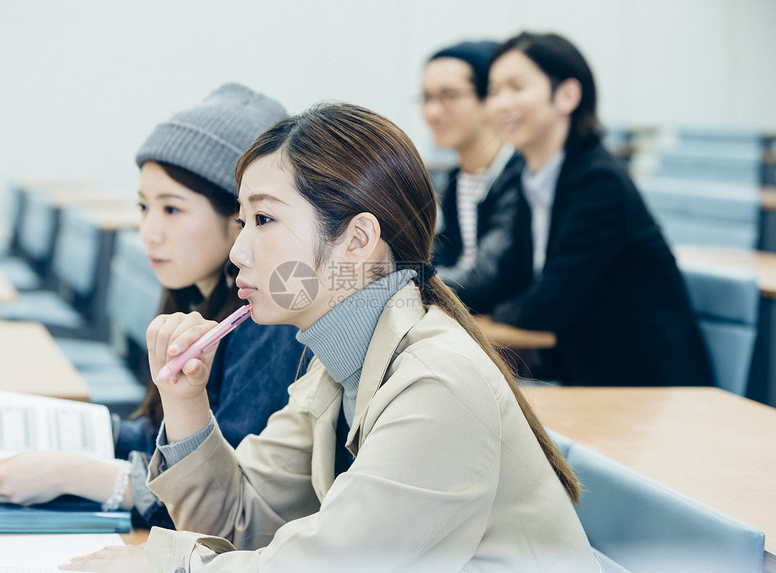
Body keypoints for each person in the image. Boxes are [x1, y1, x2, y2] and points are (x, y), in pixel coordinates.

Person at [62, 102, 600, 573]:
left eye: (264, 219)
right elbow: (240, 525)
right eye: (242, 221)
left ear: (357, 239)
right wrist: (186, 403)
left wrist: (158, 564)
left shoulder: (437, 383)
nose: (238, 252)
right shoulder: (336, 363)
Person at [0, 83, 309, 528]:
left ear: (235, 217)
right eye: (144, 207)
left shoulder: (269, 322)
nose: (148, 231)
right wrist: (66, 428)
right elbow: (162, 435)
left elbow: (223, 496)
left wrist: (73, 473)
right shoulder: (199, 298)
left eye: (172, 210)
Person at [485, 32, 715, 387]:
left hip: (647, 384)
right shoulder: (521, 175)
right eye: (494, 90)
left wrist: (501, 309)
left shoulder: (599, 182)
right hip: (583, 373)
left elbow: (548, 305)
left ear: (567, 95)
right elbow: (505, 278)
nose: (501, 103)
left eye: (516, 87)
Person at [424, 40, 531, 314]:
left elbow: (489, 278)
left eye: (448, 96)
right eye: (427, 97)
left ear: (489, 99)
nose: (433, 112)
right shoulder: (452, 180)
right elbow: (440, 256)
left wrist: (411, 283)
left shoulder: (523, 175)